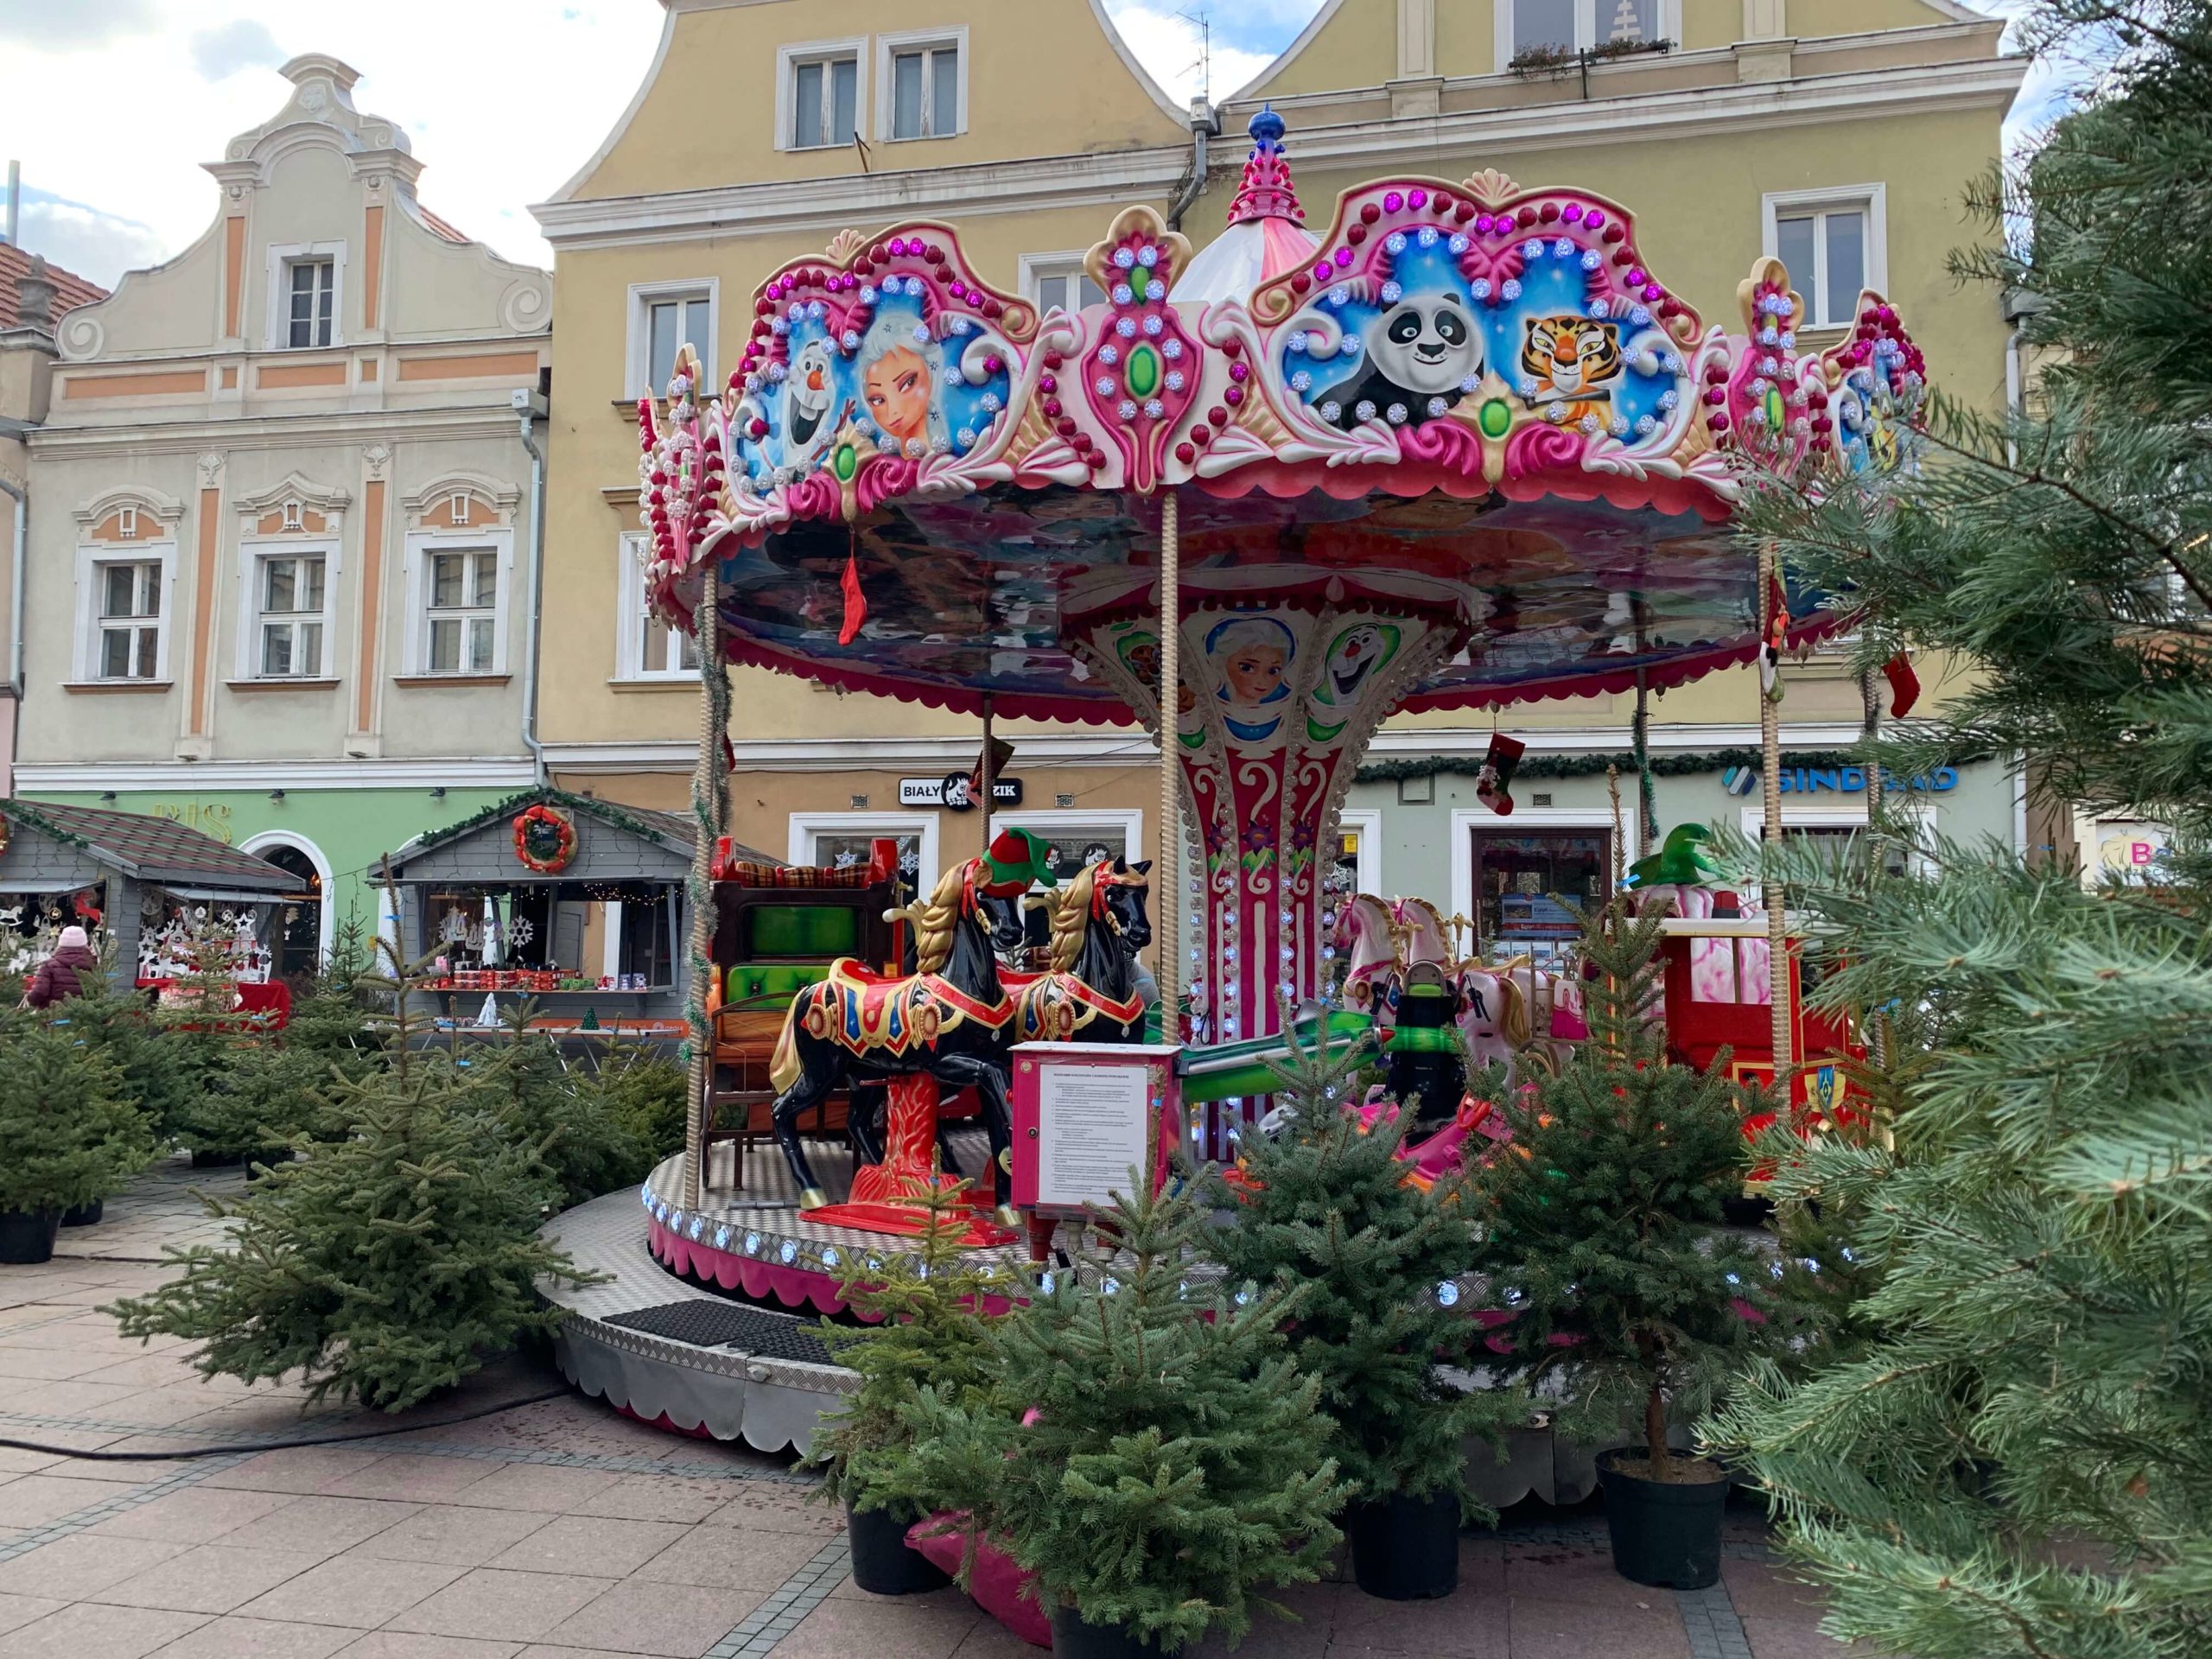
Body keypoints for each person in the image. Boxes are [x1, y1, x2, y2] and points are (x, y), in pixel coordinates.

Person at [22, 925, 99, 1011]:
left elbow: (39, 992)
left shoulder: (49, 966)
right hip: (88, 1016)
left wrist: (30, 999)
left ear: (61, 944)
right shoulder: (96, 965)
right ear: (85, 944)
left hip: (55, 1015)